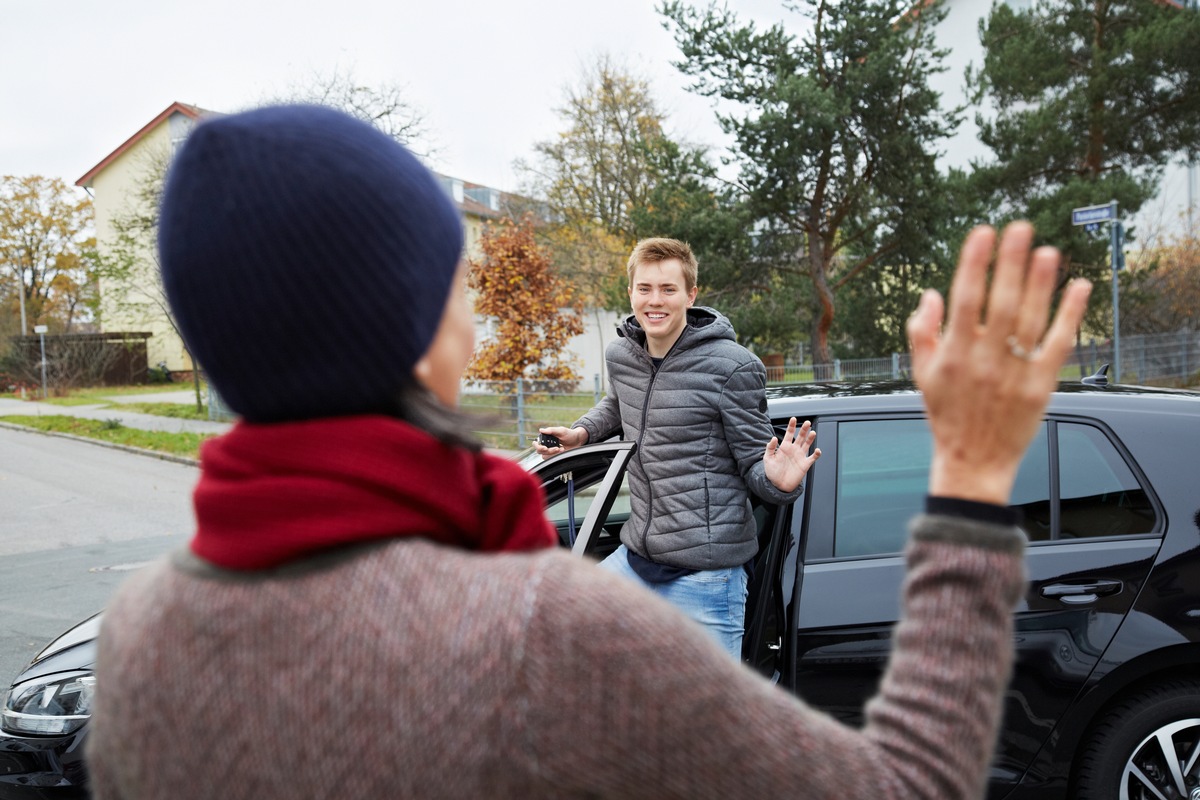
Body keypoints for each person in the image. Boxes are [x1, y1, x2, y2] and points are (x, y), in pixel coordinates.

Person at [85, 103, 1090, 800]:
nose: (474, 324)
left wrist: (770, 479)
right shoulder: (540, 630)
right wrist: (967, 481)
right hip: (645, 563)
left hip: (703, 570)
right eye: (459, 288)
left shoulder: (138, 640)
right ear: (419, 329)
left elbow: (738, 456)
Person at [536, 238, 820, 658]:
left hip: (705, 577)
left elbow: (755, 464)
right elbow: (618, 403)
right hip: (636, 558)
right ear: (630, 291)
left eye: (668, 289)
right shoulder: (622, 355)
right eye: (645, 288)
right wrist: (582, 434)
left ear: (690, 294)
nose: (655, 301)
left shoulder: (731, 366)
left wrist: (779, 482)